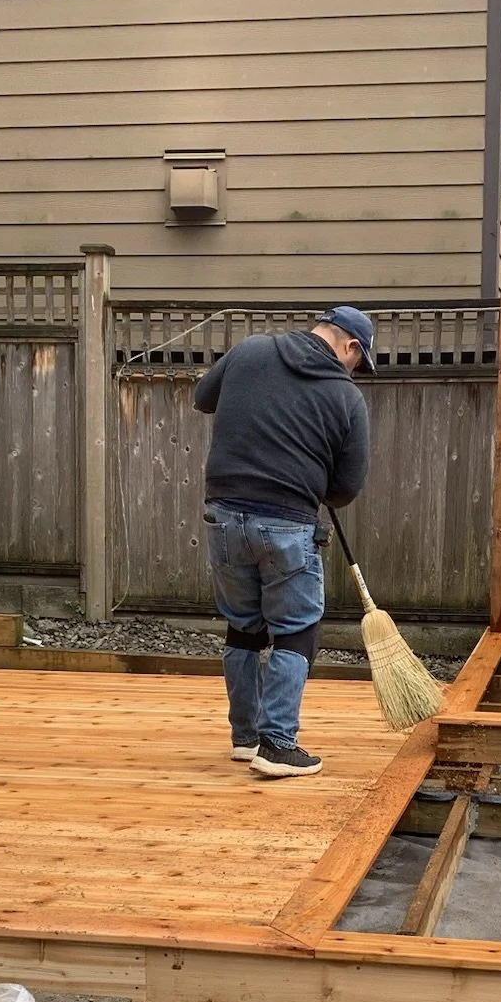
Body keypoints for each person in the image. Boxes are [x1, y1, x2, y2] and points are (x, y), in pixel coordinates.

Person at [192, 306, 374, 778]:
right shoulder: (345, 396)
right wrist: (317, 487)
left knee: (244, 626)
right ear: (350, 346)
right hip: (288, 524)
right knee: (296, 629)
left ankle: (244, 737)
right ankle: (276, 744)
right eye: (359, 361)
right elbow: (346, 488)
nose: (355, 371)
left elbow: (203, 397)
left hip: (225, 517)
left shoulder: (250, 349)